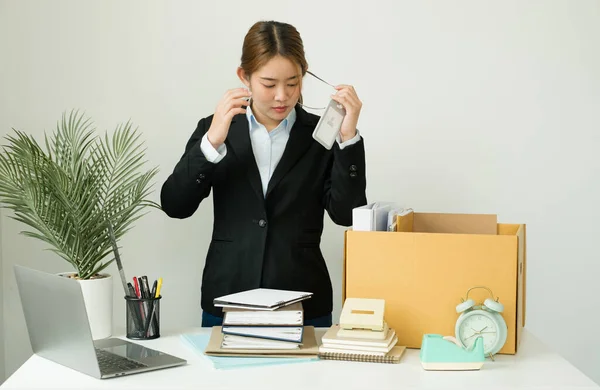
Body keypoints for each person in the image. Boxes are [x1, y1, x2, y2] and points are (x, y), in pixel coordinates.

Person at [160, 20, 367, 328]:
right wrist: (212, 142)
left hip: (304, 301)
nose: (282, 96)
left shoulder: (321, 135)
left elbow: (347, 214)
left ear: (304, 74)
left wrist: (347, 139)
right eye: (269, 84)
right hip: (229, 296)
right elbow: (175, 205)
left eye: (293, 83)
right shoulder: (216, 129)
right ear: (245, 76)